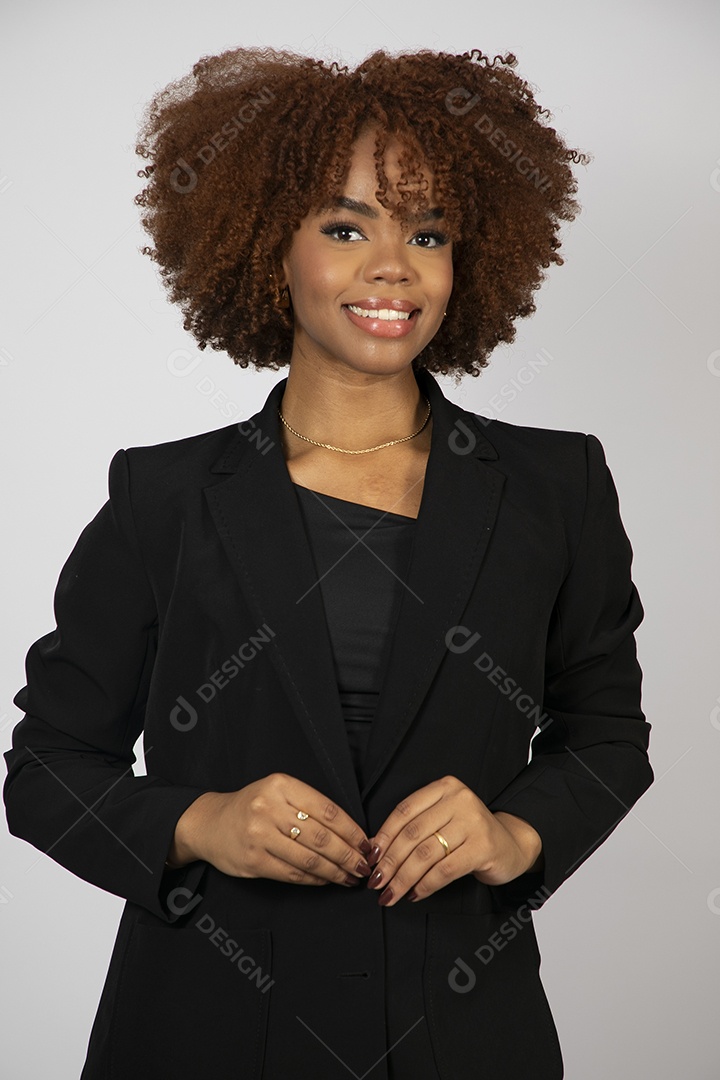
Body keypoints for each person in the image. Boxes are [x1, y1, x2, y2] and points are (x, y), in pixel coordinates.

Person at [3, 45, 654, 1079]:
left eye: (427, 234)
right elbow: (46, 770)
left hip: (459, 1037)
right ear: (271, 249)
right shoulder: (162, 498)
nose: (394, 267)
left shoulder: (554, 487)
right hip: (202, 1034)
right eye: (346, 228)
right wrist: (200, 821)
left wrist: (516, 836)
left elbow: (609, 736)